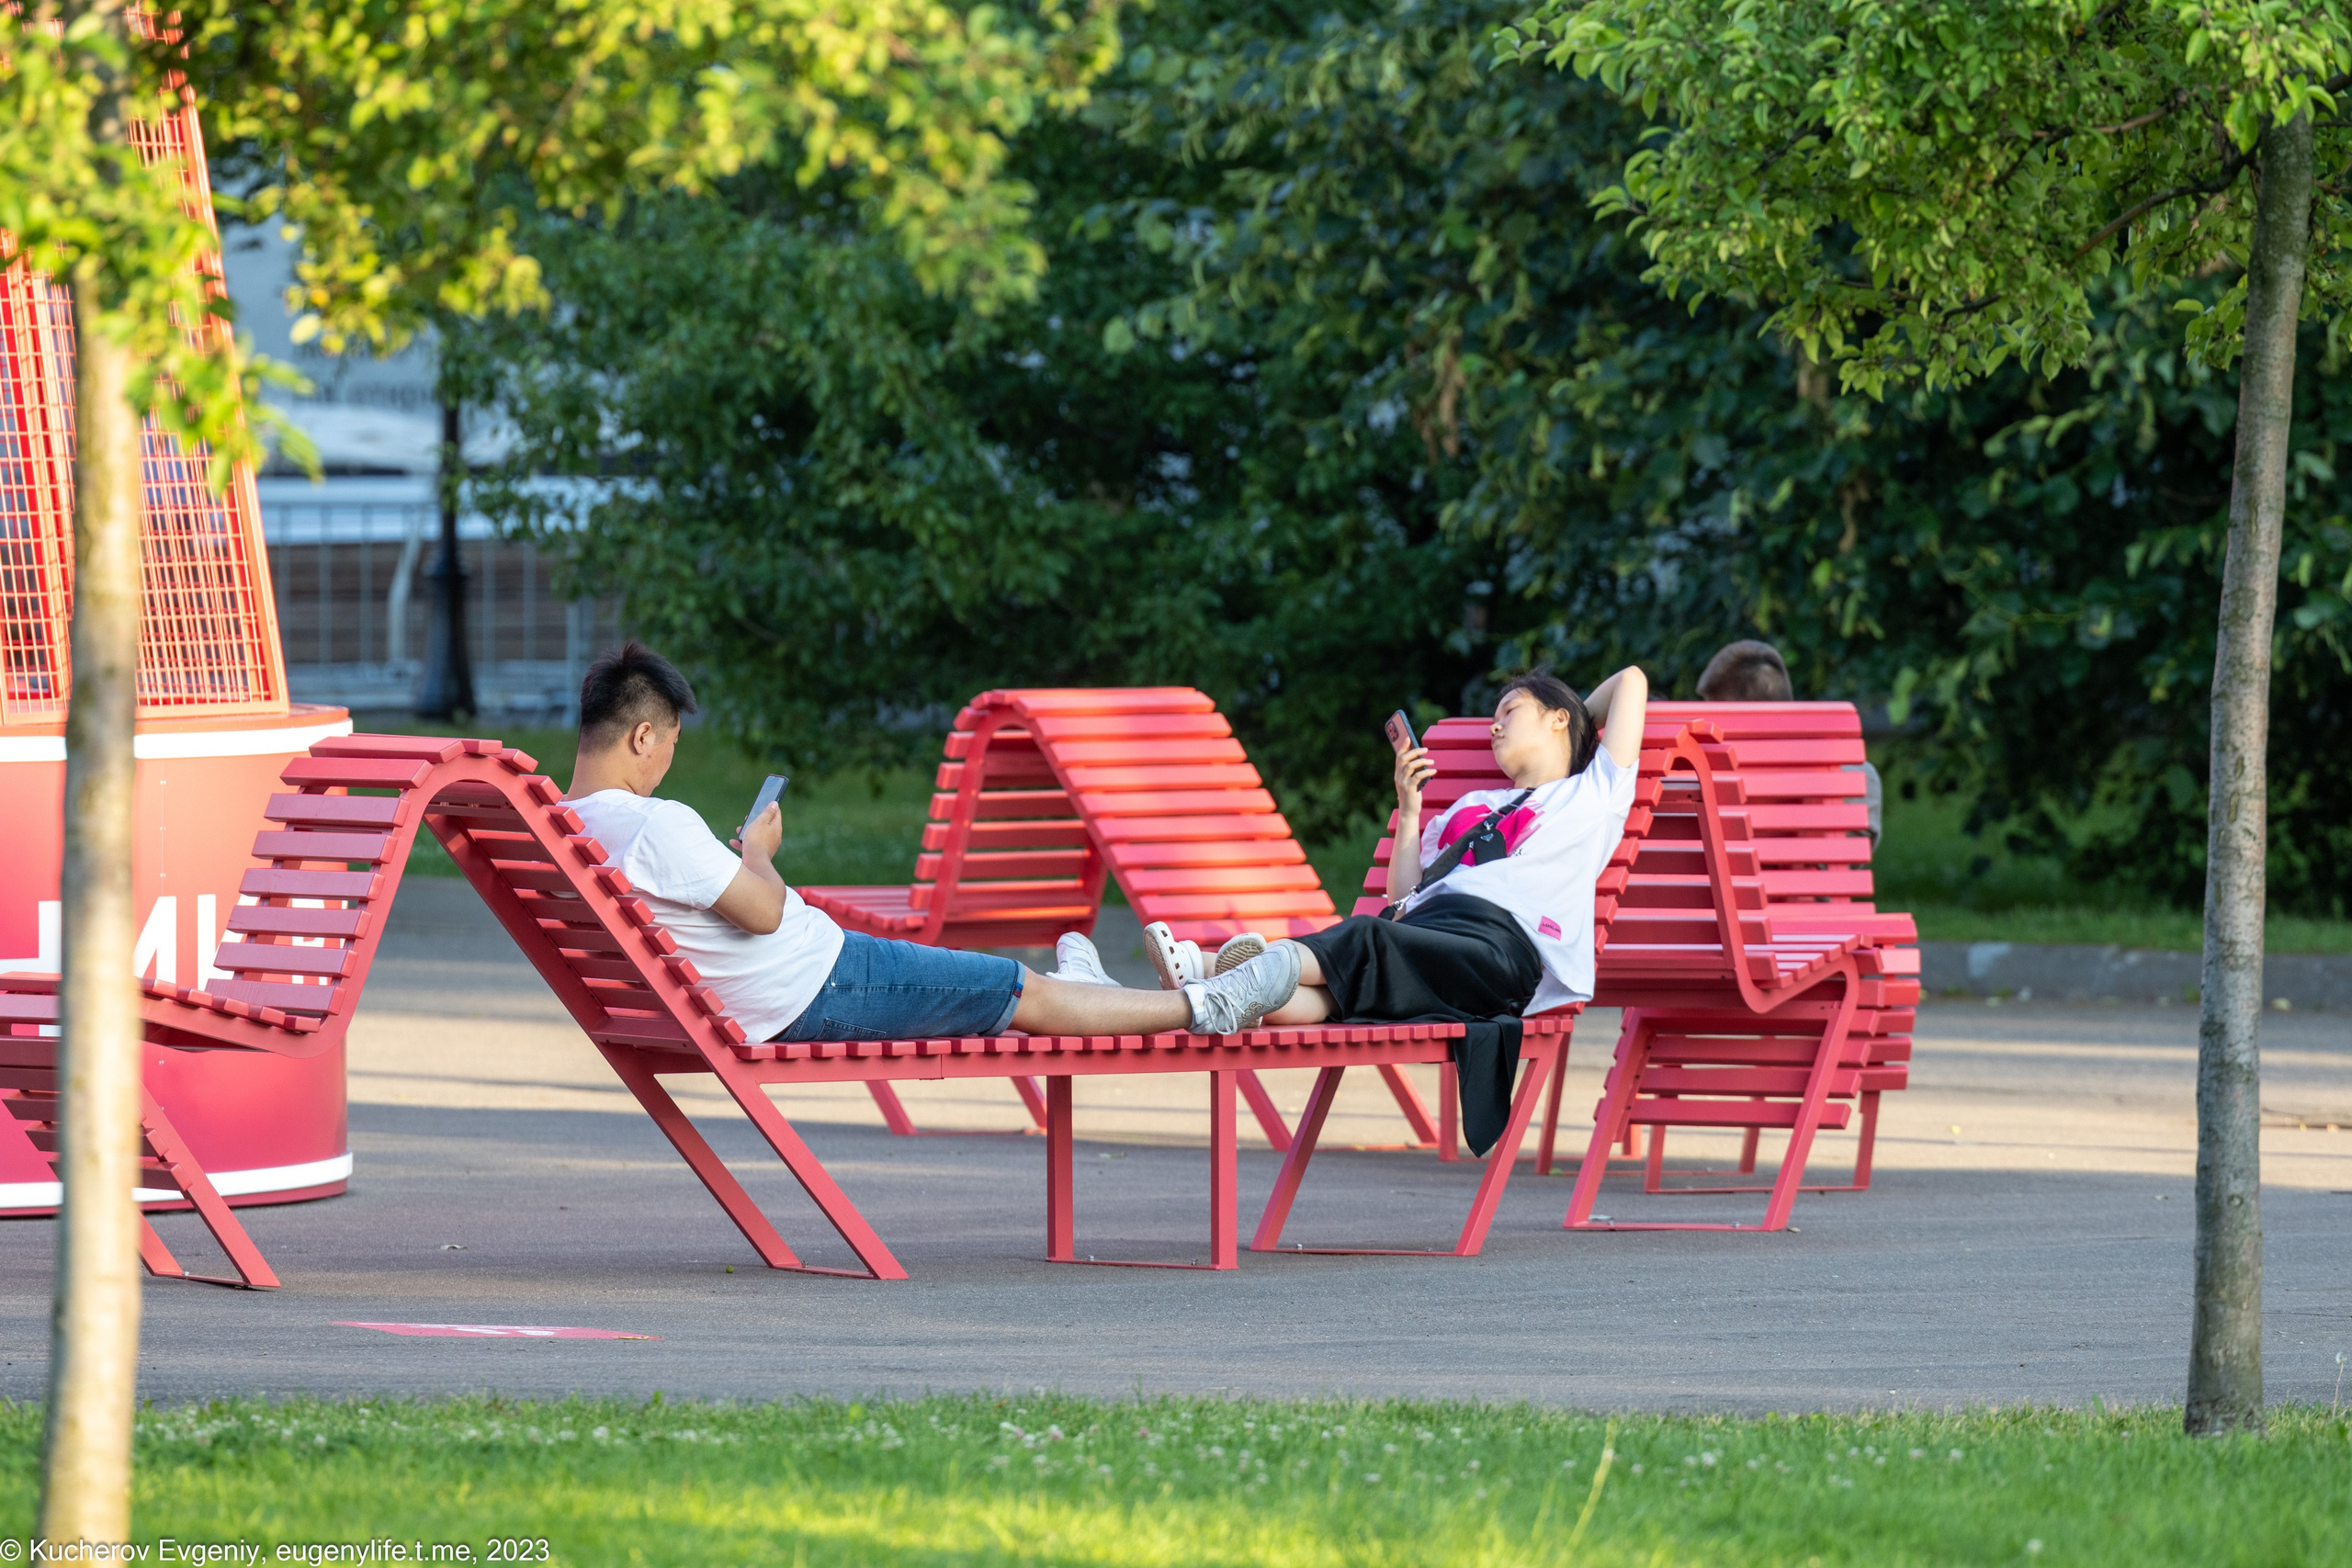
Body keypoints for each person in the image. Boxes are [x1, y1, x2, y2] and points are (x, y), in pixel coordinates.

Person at [560, 643, 1297, 1044]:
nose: (667, 764)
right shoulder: (654, 824)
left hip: (778, 989)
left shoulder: (570, 826)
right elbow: (763, 911)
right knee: (1020, 989)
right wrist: (757, 848)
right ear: (643, 735)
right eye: (670, 745)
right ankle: (1207, 1004)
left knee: (1019, 987)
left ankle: (1102, 995)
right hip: (820, 983)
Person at [1143, 667, 1651, 1153]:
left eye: (1511, 711)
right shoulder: (1469, 807)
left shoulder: (1591, 796)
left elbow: (1631, 680)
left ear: (1556, 718)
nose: (1495, 725)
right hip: (1426, 938)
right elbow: (1403, 903)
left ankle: (1204, 967)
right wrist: (1409, 809)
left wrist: (1575, 720)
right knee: (1326, 1001)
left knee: (1366, 936)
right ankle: (1218, 986)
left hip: (1499, 952)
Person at [1696, 638, 1881, 844]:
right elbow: (1853, 854)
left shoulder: (1701, 777)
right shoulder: (1858, 779)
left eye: (1711, 710)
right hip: (1809, 875)